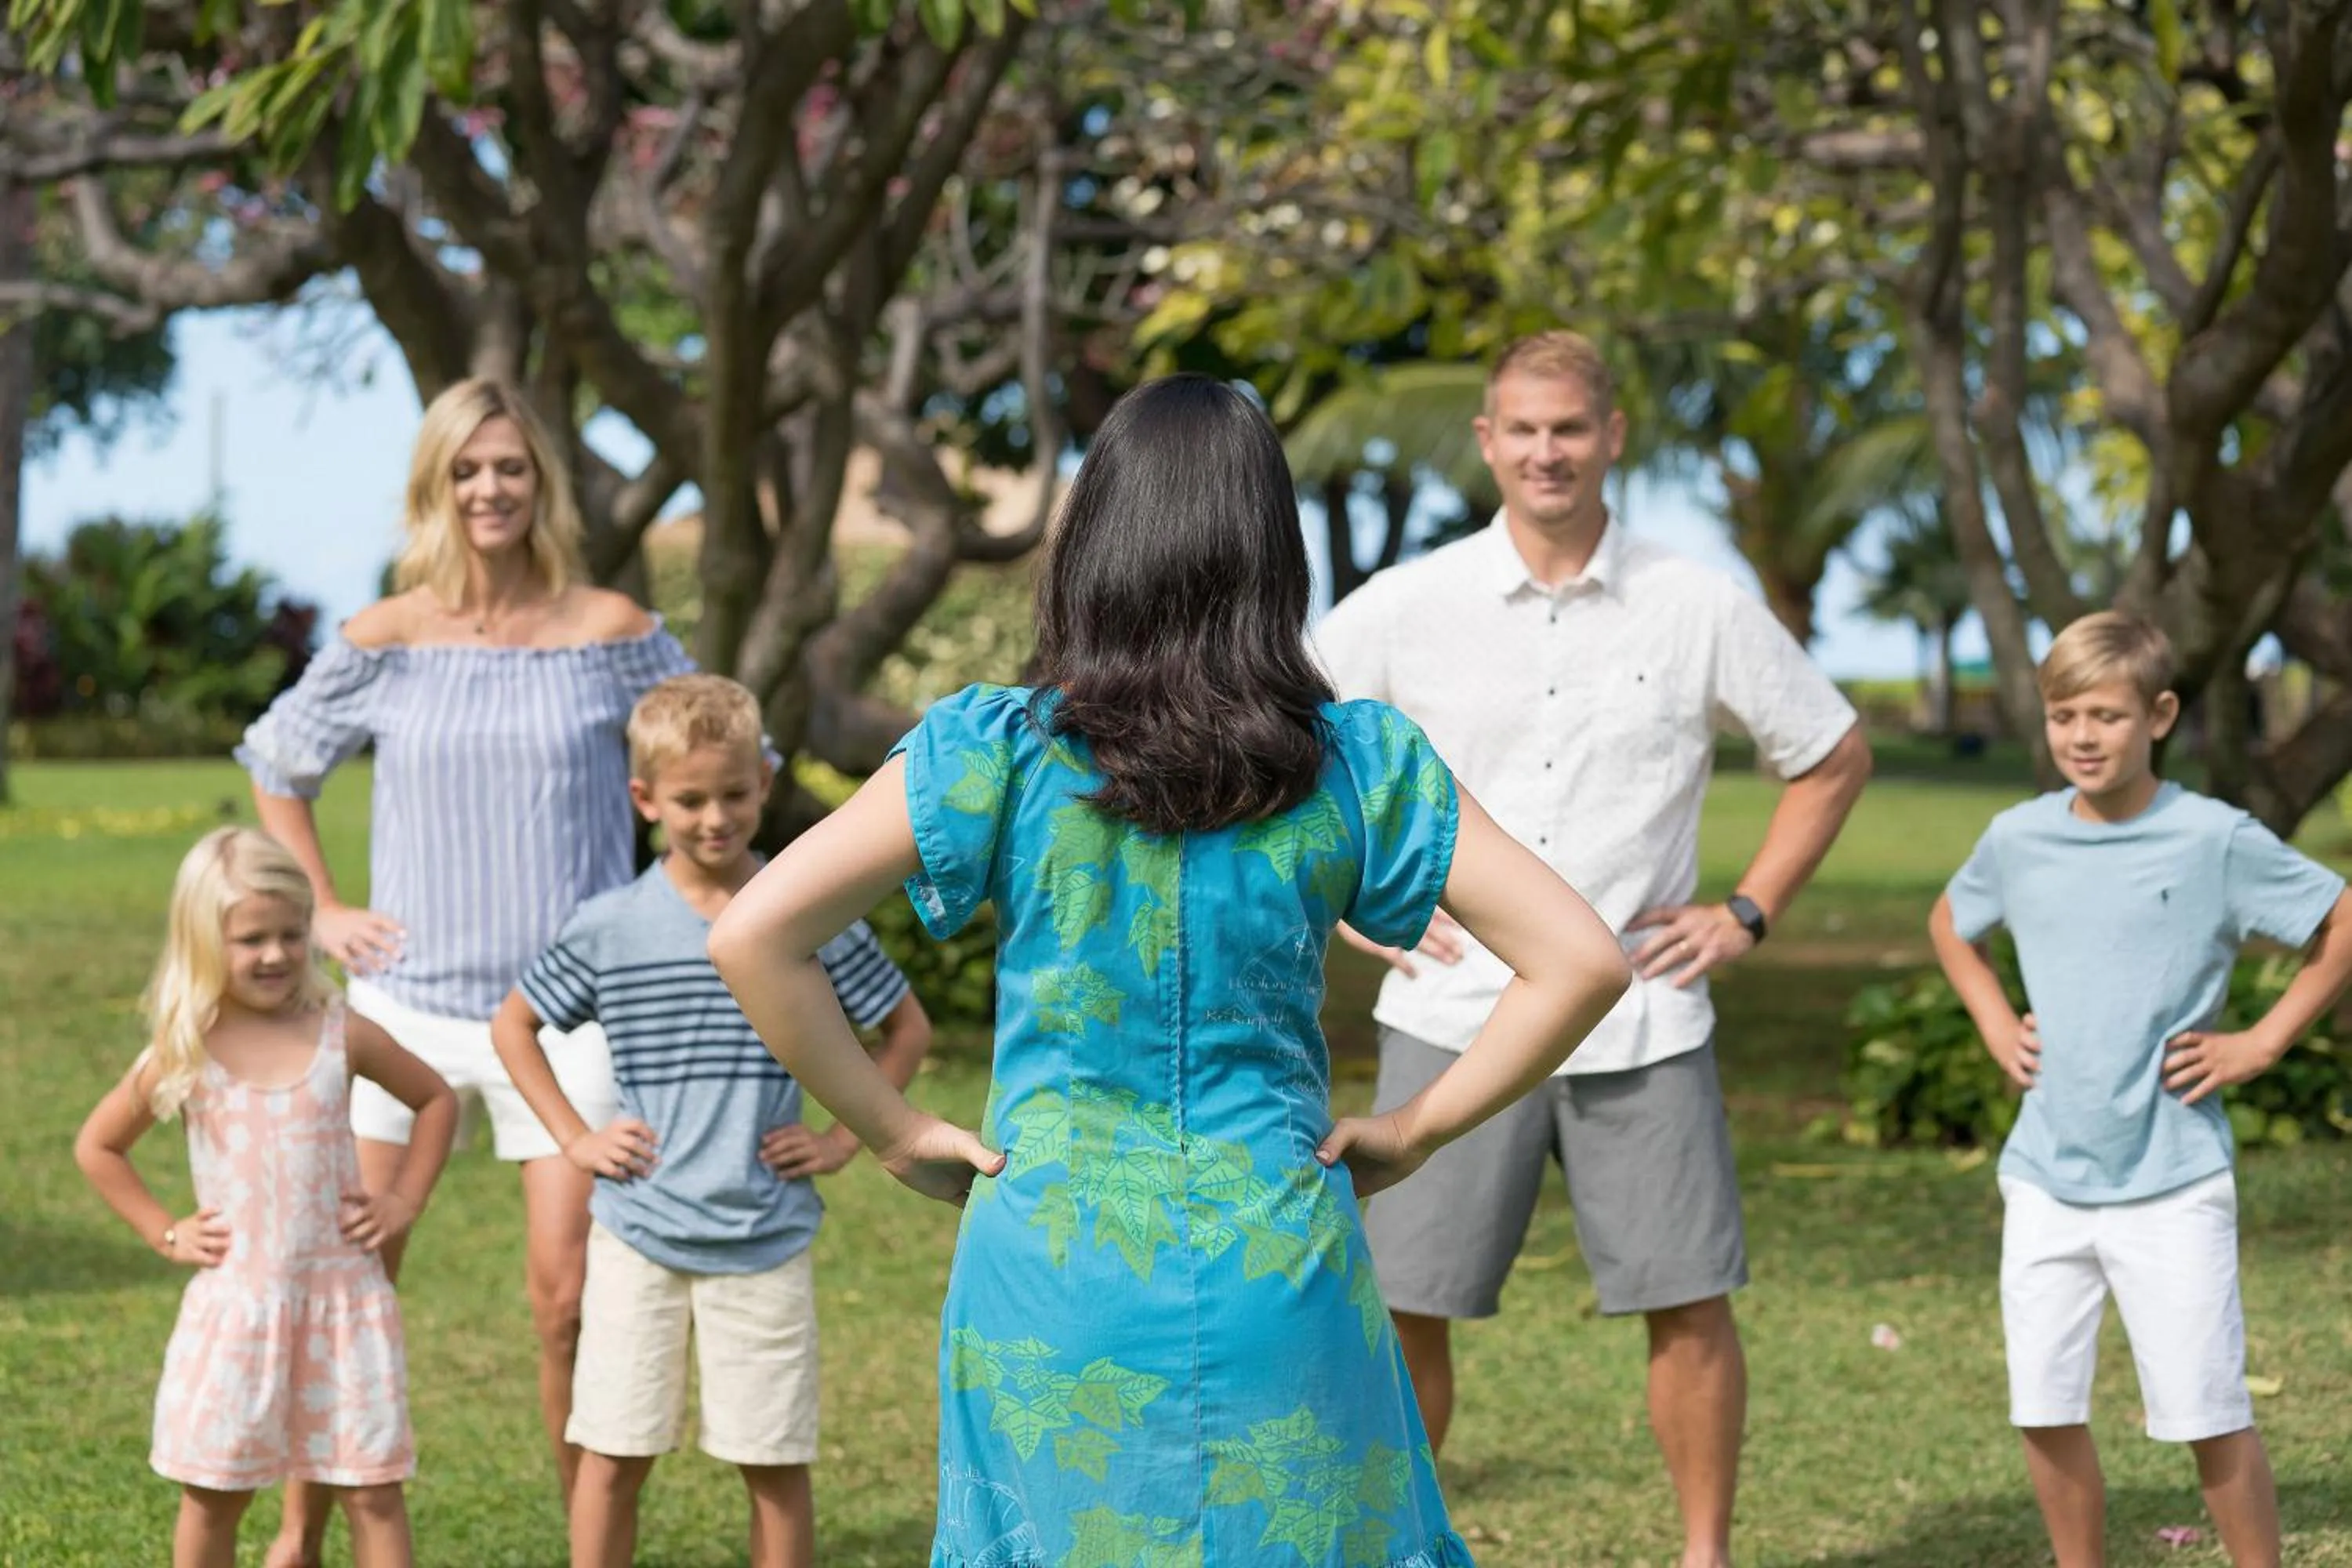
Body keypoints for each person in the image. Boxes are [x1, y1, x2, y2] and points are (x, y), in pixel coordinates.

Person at [707, 374, 1633, 1566]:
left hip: (1051, 1273)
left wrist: (888, 1128)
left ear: (1095, 539)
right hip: (1276, 1260)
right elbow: (1582, 962)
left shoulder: (1000, 753)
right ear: (1270, 552)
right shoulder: (1356, 765)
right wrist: (1418, 1130)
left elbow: (752, 935)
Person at [1314, 328, 1873, 1568]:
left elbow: (1831, 753)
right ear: (1487, 442)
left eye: (1569, 427)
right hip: (1455, 1013)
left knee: (1687, 1301)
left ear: (1614, 435)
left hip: (1645, 1017)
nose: (1546, 451)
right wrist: (1353, 903)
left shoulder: (1697, 603)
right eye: (1522, 429)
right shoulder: (1410, 603)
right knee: (1405, 1306)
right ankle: (1397, 1545)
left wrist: (1747, 910)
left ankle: (1705, 1553)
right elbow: (1290, 740)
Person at [234, 376, 700, 1563]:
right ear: (433, 487)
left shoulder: (612, 631)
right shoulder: (386, 637)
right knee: (347, 1271)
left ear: (541, 483)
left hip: (568, 1020)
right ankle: (299, 1536)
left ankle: (587, 1544)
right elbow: (278, 764)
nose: (489, 489)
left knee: (567, 1303)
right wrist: (326, 907)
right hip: (407, 1010)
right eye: (465, 470)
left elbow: (709, 761)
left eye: (510, 468)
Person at [1929, 612, 2351, 1568]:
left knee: (2208, 1411)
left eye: (2108, 715)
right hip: (2044, 1173)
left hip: (2172, 1175)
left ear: (2159, 714)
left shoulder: (2215, 837)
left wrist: (2264, 1040)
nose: (2083, 735)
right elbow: (1953, 922)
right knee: (2042, 1405)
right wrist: (1997, 1022)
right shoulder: (2018, 836)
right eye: (2064, 714)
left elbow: (2340, 918)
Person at [488, 673, 933, 1568]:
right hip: (638, 1232)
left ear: (765, 783)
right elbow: (514, 1024)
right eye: (689, 799)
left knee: (772, 1461)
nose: (715, 817)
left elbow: (906, 1027)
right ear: (645, 798)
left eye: (734, 793)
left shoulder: (803, 908)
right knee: (614, 1453)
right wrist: (576, 1137)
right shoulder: (610, 924)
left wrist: (843, 1137)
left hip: (764, 1231)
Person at [73, 828, 458, 1568]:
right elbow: (99, 1145)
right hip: (238, 1313)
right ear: (203, 941)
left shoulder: (341, 1033)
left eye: (291, 933)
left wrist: (405, 1199)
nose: (277, 954)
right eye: (252, 938)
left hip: (344, 1308)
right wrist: (165, 1232)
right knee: (213, 1493)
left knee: (372, 1492)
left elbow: (435, 1098)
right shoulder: (187, 1047)